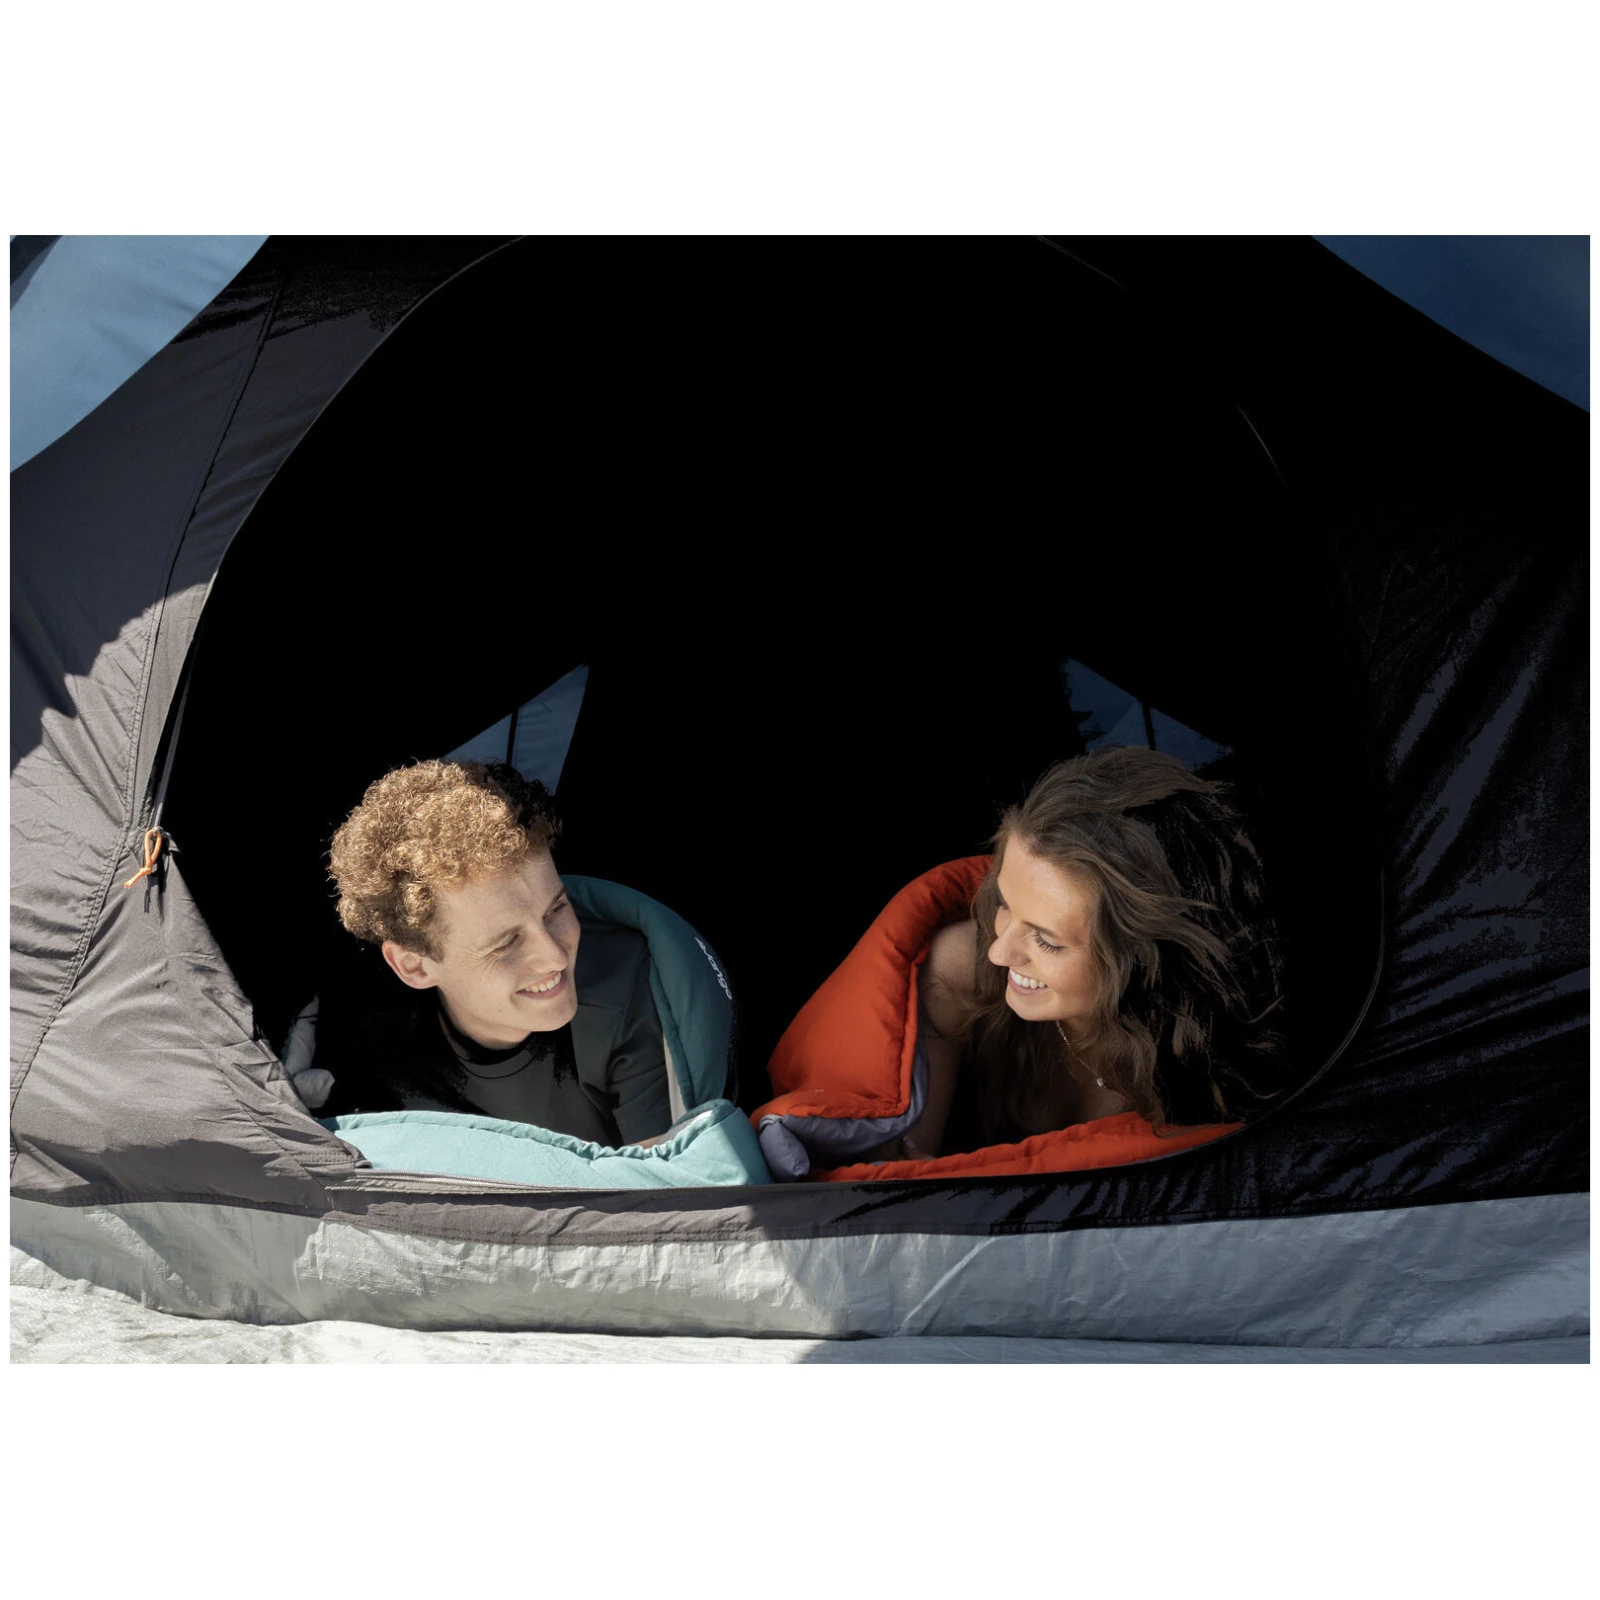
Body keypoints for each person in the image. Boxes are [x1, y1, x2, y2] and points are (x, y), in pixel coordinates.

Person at [880, 746, 1287, 1161]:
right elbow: (906, 1171)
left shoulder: (1217, 1065)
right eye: (1004, 903)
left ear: (1145, 957)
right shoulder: (959, 968)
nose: (1000, 953)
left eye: (1046, 940)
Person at [319, 759, 675, 1147]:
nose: (555, 957)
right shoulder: (371, 1041)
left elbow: (662, 1177)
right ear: (414, 966)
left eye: (556, 909)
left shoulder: (629, 991)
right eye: (506, 943)